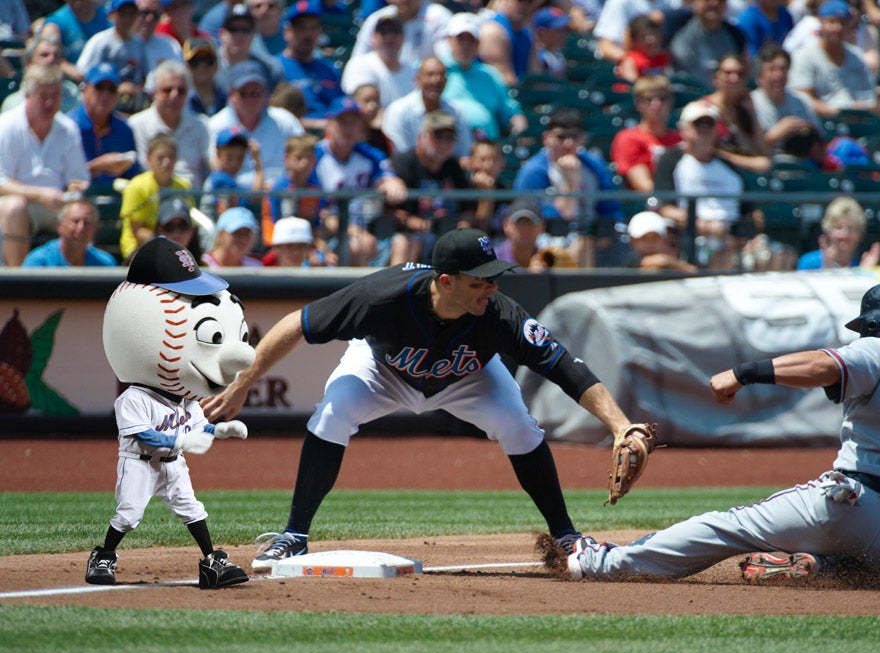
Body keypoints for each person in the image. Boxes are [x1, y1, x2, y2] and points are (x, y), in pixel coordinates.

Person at [201, 227, 646, 571]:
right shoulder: (382, 296)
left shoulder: (499, 314)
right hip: (382, 369)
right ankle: (294, 534)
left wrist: (619, 424)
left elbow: (566, 367)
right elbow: (299, 324)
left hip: (469, 377)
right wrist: (243, 381)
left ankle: (565, 535)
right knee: (332, 414)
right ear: (446, 281)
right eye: (480, 282)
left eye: (494, 280)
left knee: (518, 425)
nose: (491, 290)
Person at [547, 281, 880, 585]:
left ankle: (602, 563)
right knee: (879, 568)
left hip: (856, 505)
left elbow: (824, 365)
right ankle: (822, 569)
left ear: (878, 323)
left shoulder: (879, 349)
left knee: (728, 527)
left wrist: (745, 373)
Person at [87, 236, 253, 589]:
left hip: (173, 462)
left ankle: (211, 562)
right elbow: (142, 435)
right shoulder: (134, 398)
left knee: (192, 508)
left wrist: (220, 431)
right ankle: (104, 556)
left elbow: (199, 428)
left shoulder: (186, 400)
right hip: (139, 462)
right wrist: (181, 438)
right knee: (129, 513)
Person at [0, 64, 90, 267]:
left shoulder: (68, 129)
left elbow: (79, 178)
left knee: (81, 212)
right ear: (27, 96)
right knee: (15, 207)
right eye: (43, 96)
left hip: (58, 203)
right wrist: (39, 195)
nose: (49, 103)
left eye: (55, 96)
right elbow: (1, 182)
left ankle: (78, 284)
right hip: (16, 205)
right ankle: (19, 284)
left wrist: (74, 187)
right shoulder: (6, 126)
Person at [513, 106, 623, 267]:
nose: (568, 143)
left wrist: (602, 233)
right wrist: (570, 185)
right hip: (546, 240)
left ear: (583, 138)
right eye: (561, 137)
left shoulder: (594, 164)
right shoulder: (533, 171)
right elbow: (545, 218)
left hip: (593, 240)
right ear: (546, 138)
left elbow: (611, 209)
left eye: (574, 136)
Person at [313, 95, 408, 266]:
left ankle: (395, 292)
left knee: (402, 242)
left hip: (367, 228)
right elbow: (320, 213)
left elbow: (390, 179)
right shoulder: (315, 155)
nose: (348, 128)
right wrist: (354, 231)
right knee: (357, 245)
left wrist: (391, 182)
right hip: (328, 231)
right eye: (343, 122)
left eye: (354, 122)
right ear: (330, 124)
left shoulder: (368, 154)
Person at [652, 100, 745, 250]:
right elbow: (664, 208)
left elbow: (750, 212)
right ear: (683, 128)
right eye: (698, 123)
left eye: (709, 124)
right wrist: (705, 226)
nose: (704, 128)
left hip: (732, 240)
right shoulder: (670, 160)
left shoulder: (730, 167)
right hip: (690, 238)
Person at [387, 110, 476, 265]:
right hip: (412, 235)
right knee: (408, 242)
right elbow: (392, 212)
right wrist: (425, 225)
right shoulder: (403, 163)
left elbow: (467, 210)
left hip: (448, 234)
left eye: (449, 138)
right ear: (420, 137)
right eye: (437, 136)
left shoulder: (454, 166)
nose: (443, 143)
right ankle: (400, 288)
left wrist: (463, 228)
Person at [207, 59, 305, 187]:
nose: (250, 99)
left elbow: (305, 156)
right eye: (243, 93)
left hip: (279, 196)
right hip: (232, 197)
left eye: (256, 93)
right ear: (231, 95)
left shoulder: (286, 121)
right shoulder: (215, 125)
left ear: (266, 94)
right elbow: (214, 167)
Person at [441, 13, 528, 141]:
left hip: (486, 147)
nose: (465, 45)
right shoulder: (437, 71)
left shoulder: (489, 74)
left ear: (478, 44)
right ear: (449, 39)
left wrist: (518, 123)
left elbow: (509, 111)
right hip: (448, 145)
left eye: (471, 40)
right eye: (460, 38)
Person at [128, 59, 212, 187]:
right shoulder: (136, 125)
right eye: (167, 90)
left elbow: (213, 167)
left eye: (181, 91)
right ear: (154, 93)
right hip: (152, 200)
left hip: (192, 199)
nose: (174, 96)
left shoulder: (202, 124)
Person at [788, 0, 878, 118]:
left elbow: (870, 96)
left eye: (842, 23)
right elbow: (802, 98)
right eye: (831, 22)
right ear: (821, 23)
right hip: (826, 124)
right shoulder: (804, 55)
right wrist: (839, 113)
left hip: (860, 121)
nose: (837, 28)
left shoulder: (857, 55)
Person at [67, 62, 142, 193]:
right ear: (84, 90)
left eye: (111, 89)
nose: (105, 95)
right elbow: (62, 179)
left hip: (115, 203)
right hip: (76, 202)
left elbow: (133, 176)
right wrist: (97, 167)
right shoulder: (68, 127)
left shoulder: (124, 129)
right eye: (99, 87)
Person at [119, 132, 193, 258]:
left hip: (175, 244)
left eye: (171, 157)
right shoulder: (137, 186)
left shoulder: (184, 186)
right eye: (160, 158)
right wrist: (168, 246)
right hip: (138, 248)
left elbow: (187, 223)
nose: (167, 162)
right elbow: (136, 230)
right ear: (149, 159)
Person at [381, 55, 473, 157]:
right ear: (417, 79)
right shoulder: (398, 111)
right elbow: (399, 154)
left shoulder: (455, 112)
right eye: (430, 75)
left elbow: (464, 153)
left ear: (446, 81)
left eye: (441, 75)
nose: (436, 80)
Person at [277, 0, 344, 131]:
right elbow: (276, 116)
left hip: (331, 139)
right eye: (301, 28)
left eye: (313, 28)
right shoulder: (275, 68)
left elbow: (340, 106)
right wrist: (319, 125)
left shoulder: (329, 68)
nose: (308, 34)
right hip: (294, 137)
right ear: (287, 32)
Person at [610, 74, 681, 193]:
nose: (656, 104)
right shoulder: (628, 138)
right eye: (649, 99)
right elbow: (644, 186)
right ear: (638, 104)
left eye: (662, 98)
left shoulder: (681, 139)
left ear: (670, 102)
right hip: (650, 205)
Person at [702, 54, 772, 173]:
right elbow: (706, 151)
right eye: (728, 73)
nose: (734, 78)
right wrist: (740, 161)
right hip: (716, 170)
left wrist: (752, 114)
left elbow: (762, 151)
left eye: (740, 74)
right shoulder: (704, 109)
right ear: (716, 78)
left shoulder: (744, 109)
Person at [750, 42, 823, 157]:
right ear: (759, 77)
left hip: (802, 165)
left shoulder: (801, 101)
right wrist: (775, 135)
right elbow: (747, 148)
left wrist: (806, 130)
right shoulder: (750, 104)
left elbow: (820, 147)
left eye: (783, 69)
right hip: (767, 166)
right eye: (772, 70)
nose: (779, 75)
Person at [74, 0, 148, 109]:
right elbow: (83, 73)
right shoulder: (100, 41)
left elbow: (144, 74)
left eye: (131, 13)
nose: (127, 18)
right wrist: (115, 87)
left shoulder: (139, 43)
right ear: (112, 15)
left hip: (132, 101)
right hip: (103, 98)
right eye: (123, 14)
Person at [665, 0, 749, 90]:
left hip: (722, 96)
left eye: (720, 1)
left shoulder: (735, 35)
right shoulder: (674, 25)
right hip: (685, 95)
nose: (714, 3)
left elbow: (745, 69)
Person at [340, 10, 413, 112]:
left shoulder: (412, 72)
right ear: (373, 37)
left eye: (395, 31)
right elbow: (361, 108)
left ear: (403, 37)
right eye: (383, 32)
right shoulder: (359, 64)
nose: (389, 37)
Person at [350, 0, 454, 71]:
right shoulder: (376, 20)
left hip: (428, 85)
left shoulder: (439, 16)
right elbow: (358, 61)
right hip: (387, 82)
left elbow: (447, 61)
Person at [22, 196, 118, 267]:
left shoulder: (105, 263)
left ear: (95, 228)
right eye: (75, 221)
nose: (81, 228)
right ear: (60, 226)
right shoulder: (40, 262)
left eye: (87, 222)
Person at [1, 33, 82, 116]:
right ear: (29, 64)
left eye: (56, 55)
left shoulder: (73, 94)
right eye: (44, 55)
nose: (51, 59)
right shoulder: (13, 104)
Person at [795, 195, 880, 269]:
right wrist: (826, 269)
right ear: (828, 230)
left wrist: (865, 274)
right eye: (838, 227)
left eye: (851, 229)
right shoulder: (809, 263)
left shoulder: (860, 267)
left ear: (859, 235)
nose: (844, 235)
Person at [214, 2, 284, 94]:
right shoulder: (207, 64)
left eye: (245, 29)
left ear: (253, 35)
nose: (240, 35)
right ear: (221, 34)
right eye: (233, 29)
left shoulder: (269, 69)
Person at [201, 124, 263, 218]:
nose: (234, 163)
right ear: (218, 153)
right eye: (229, 157)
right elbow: (256, 197)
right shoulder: (220, 179)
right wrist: (258, 165)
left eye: (240, 157)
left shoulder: (226, 178)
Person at [41, 0, 111, 79]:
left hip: (107, 79)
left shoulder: (109, 17)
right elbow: (47, 56)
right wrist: (77, 74)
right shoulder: (55, 23)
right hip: (72, 82)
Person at [478, 0, 539, 86]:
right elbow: (504, 79)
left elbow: (536, 75)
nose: (524, 5)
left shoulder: (528, 36)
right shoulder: (492, 31)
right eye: (519, 1)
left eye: (529, 2)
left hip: (521, 93)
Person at [593, 0, 670, 64]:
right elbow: (605, 47)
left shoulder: (667, 3)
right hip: (620, 69)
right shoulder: (621, 2)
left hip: (653, 67)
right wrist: (635, 61)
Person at [625, 210, 698, 271]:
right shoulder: (630, 259)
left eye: (655, 238)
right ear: (632, 240)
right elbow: (660, 262)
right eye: (644, 238)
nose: (650, 243)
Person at [134, 0, 185, 77]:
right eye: (145, 12)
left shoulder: (171, 46)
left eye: (155, 15)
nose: (150, 18)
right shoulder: (111, 40)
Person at [616, 13, 669, 82]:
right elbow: (632, 87)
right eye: (643, 37)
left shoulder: (663, 58)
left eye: (653, 34)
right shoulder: (630, 61)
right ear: (633, 40)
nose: (650, 40)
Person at [261, 215, 332, 266]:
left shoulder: (319, 275)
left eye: (300, 247)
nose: (295, 252)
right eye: (289, 246)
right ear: (276, 248)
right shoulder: (260, 274)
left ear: (308, 249)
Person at [184, 37, 228, 117]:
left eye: (208, 60)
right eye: (195, 61)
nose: (202, 66)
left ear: (216, 65)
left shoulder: (229, 98)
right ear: (186, 67)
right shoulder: (180, 100)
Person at [352, 82, 394, 155]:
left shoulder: (381, 137)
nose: (373, 106)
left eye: (376, 101)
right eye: (366, 101)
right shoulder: (345, 134)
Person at [533, 5, 571, 77]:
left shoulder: (557, 54)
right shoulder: (539, 58)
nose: (563, 34)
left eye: (564, 30)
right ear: (541, 33)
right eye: (558, 31)